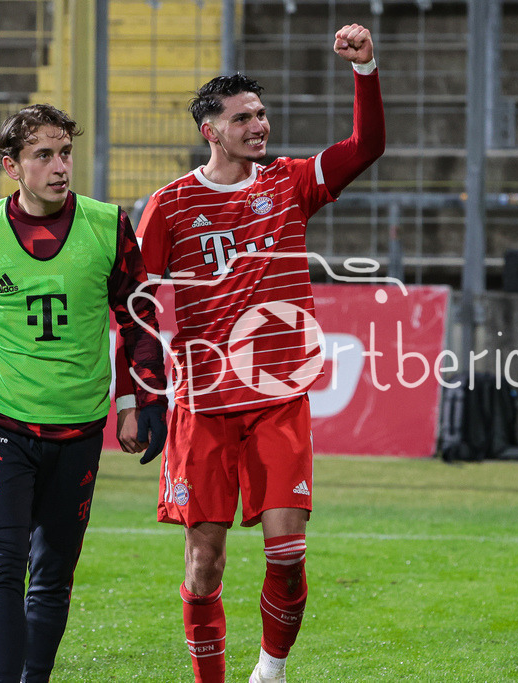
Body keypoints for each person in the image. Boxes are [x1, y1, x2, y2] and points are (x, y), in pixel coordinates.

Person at [114, 23, 385, 683]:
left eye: (261, 114)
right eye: (243, 118)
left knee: (287, 552)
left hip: (278, 400)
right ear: (211, 129)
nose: (258, 125)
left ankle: (271, 668)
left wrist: (366, 70)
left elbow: (364, 147)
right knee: (205, 564)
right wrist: (134, 395)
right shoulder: (171, 206)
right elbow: (135, 306)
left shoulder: (290, 184)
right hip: (202, 406)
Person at [0, 104, 168, 682]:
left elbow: (138, 315)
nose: (59, 166)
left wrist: (151, 398)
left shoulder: (107, 224)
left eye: (65, 153)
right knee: (2, 567)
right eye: (42, 155)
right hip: (0, 420)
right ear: (12, 166)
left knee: (52, 576)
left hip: (78, 427)